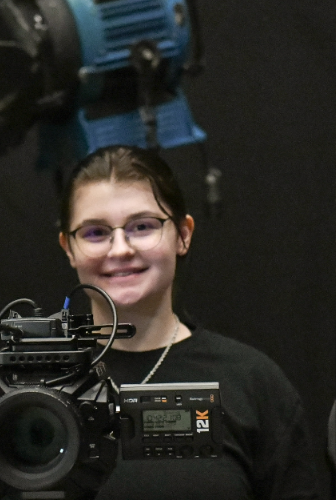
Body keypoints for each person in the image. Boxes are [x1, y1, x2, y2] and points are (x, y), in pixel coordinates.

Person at [56, 145, 325, 499]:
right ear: (68, 247)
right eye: (95, 232)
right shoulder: (28, 385)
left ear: (183, 234)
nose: (119, 249)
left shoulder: (253, 384)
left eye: (142, 226)